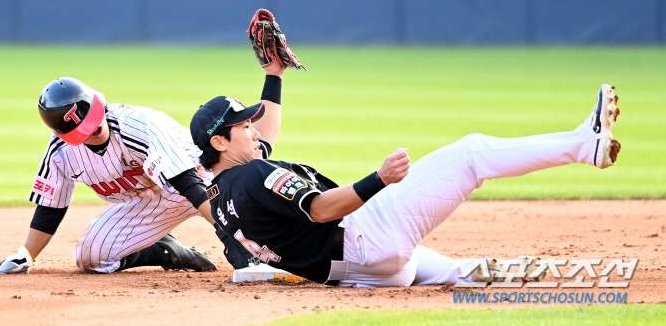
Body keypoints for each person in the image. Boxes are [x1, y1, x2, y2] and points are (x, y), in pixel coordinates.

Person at [189, 80, 621, 287]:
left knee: (454, 272)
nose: (254, 129)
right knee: (471, 153)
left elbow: (263, 249)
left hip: (363, 275)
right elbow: (319, 209)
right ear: (220, 141)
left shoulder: (219, 199)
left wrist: (274, 73)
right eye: (243, 125)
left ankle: (549, 276)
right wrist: (379, 179)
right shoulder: (253, 174)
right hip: (368, 237)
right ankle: (586, 145)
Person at [0, 69, 283, 274]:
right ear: (65, 134)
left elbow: (189, 185)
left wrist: (230, 233)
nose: (95, 128)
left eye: (96, 118)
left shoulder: (140, 125)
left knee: (222, 185)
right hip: (153, 199)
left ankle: (252, 241)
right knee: (90, 257)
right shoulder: (61, 153)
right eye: (85, 129)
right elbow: (50, 210)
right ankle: (167, 251)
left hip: (203, 176)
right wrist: (26, 255)